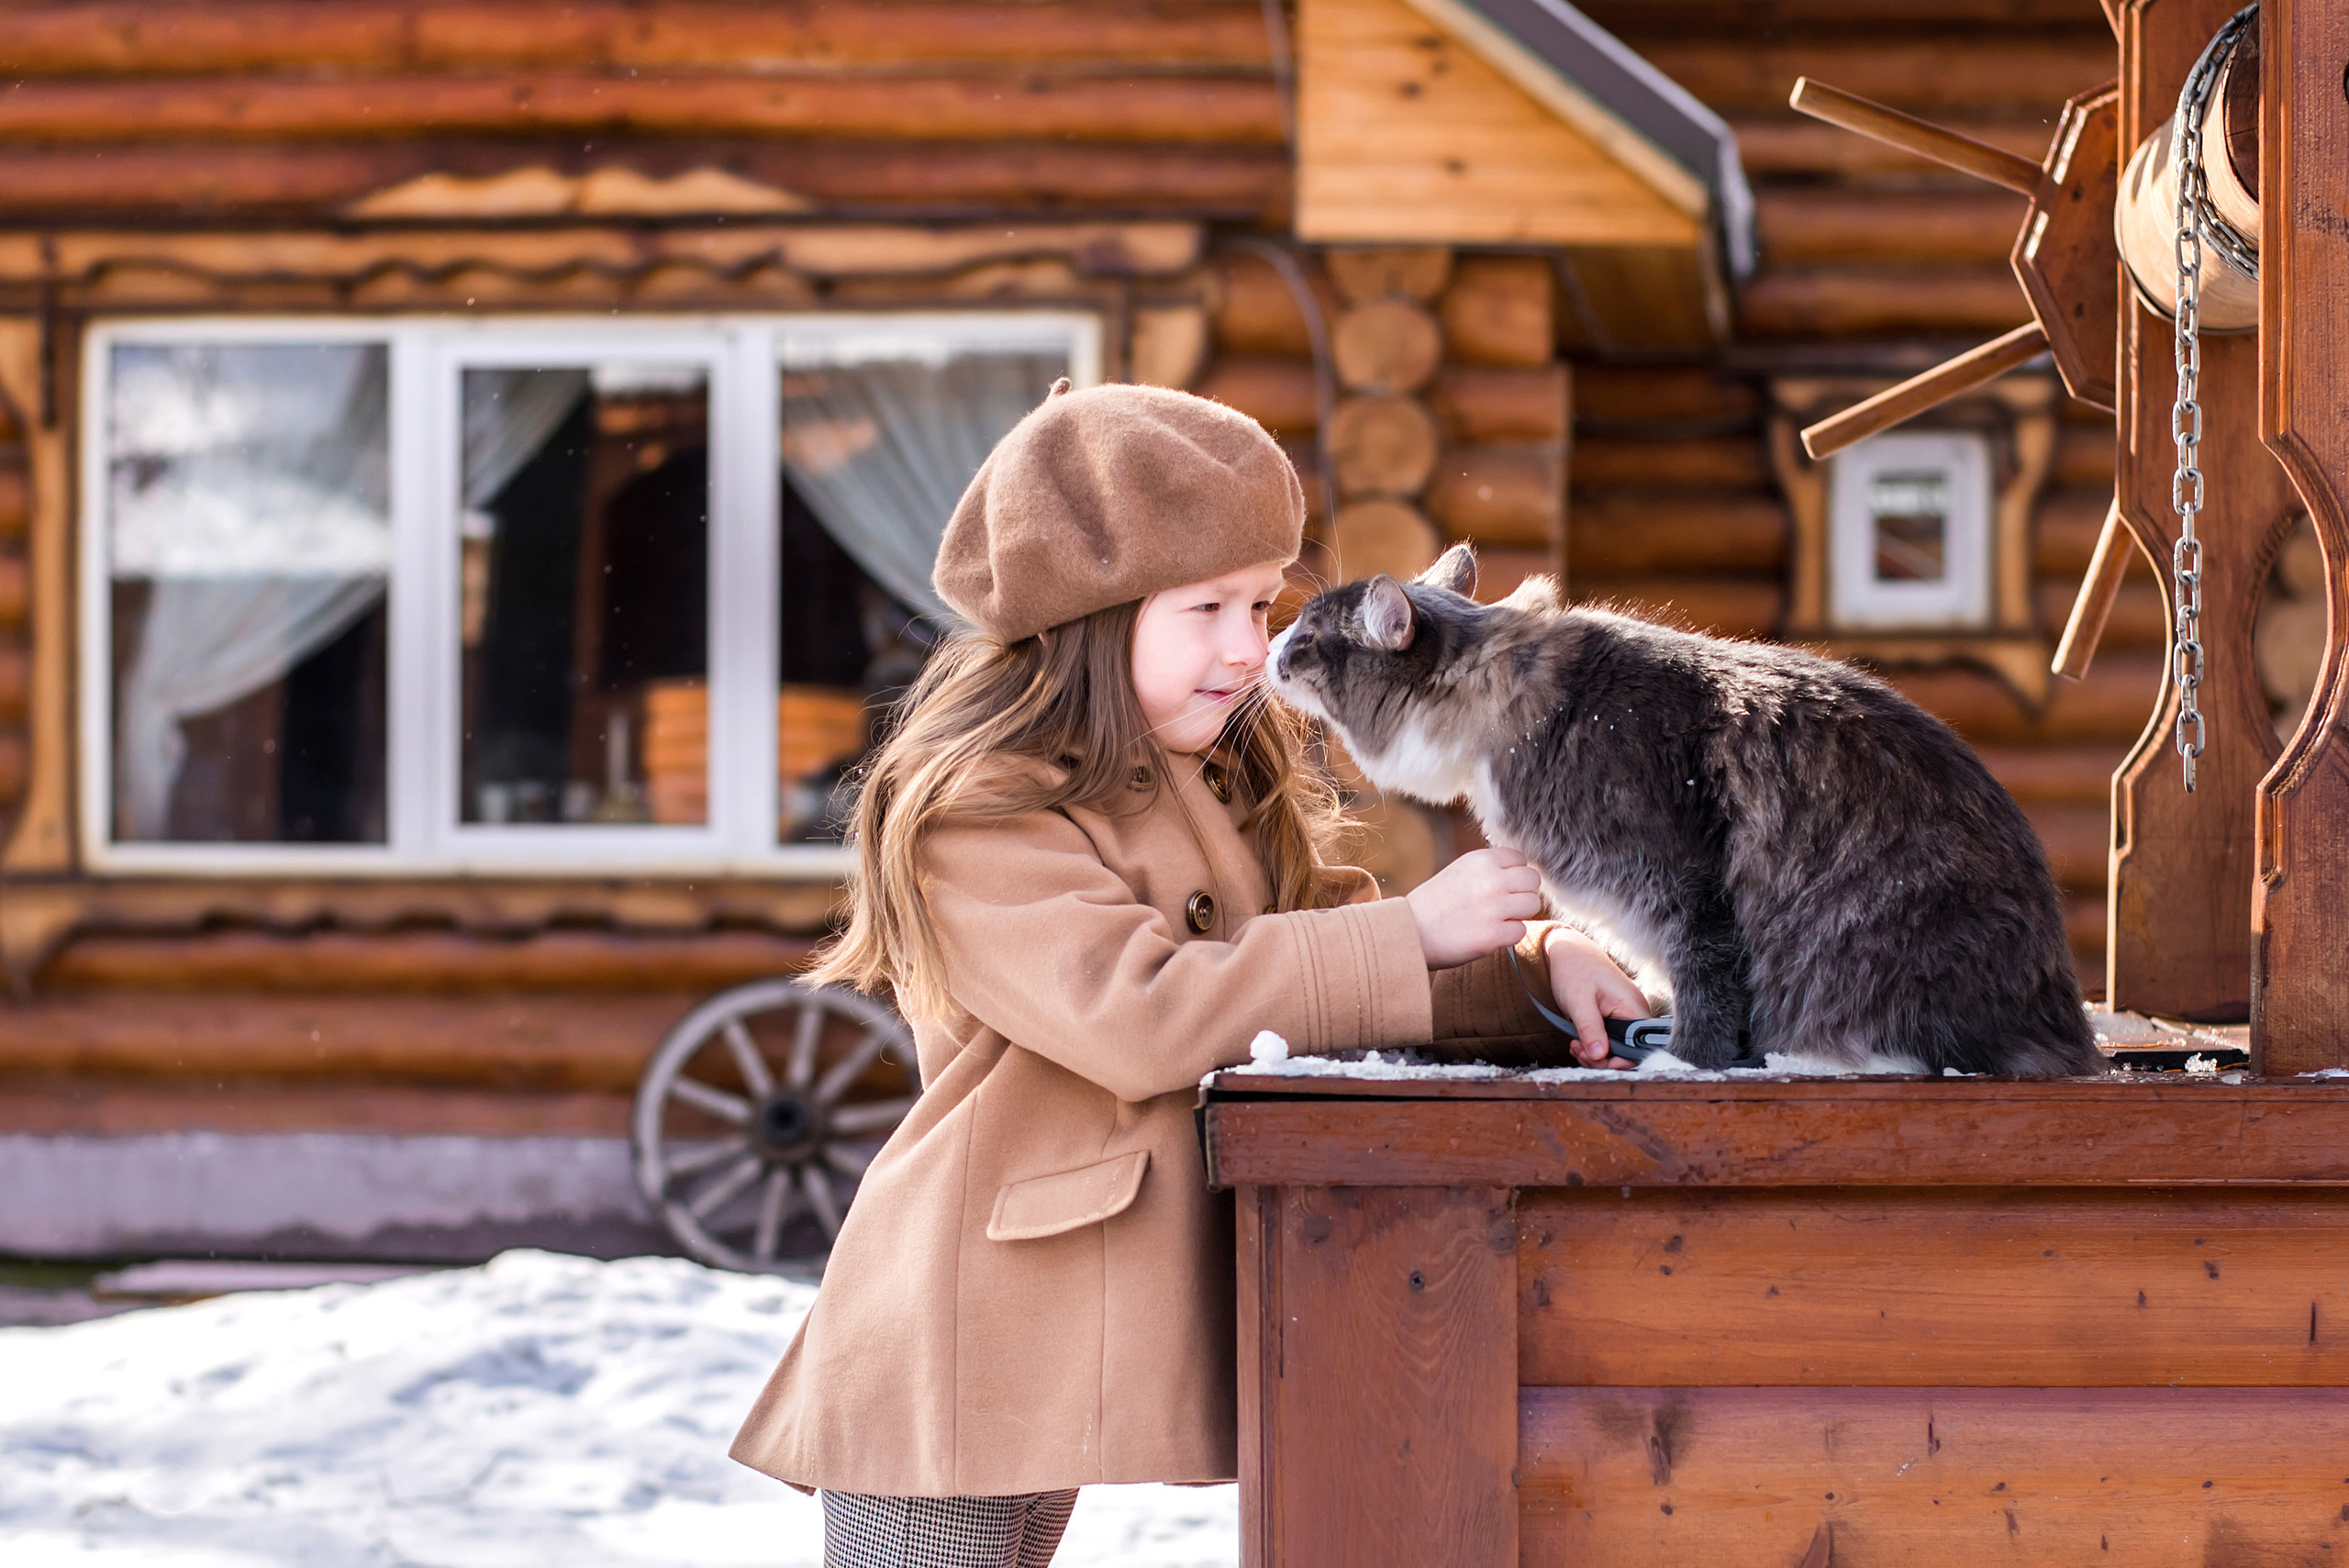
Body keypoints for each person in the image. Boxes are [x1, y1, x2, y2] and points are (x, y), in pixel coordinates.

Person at [729, 380, 1649, 1567]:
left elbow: (1324, 972)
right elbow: (1140, 1012)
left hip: (1056, 1321)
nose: (1250, 645)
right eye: (1206, 607)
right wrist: (1413, 933)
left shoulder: (1214, 774)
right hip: (962, 1332)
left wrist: (1537, 968)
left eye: (1261, 601)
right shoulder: (980, 808)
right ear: (1085, 615)